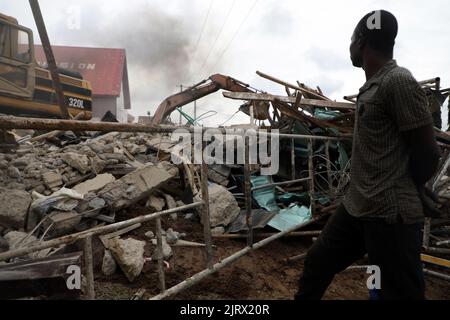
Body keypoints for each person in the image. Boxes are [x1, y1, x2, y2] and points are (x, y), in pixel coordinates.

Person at [295, 10, 441, 300]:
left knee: (395, 293)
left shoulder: (398, 81)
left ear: (361, 41)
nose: (349, 46)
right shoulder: (373, 85)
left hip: (390, 215)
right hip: (359, 205)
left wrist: (410, 187)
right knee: (317, 262)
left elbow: (428, 151)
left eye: (351, 39)